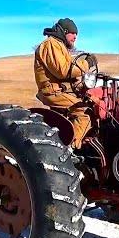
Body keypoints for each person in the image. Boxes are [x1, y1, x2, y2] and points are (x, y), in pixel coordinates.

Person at [34, 18, 91, 149]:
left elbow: (69, 74)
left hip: (61, 90)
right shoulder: (51, 44)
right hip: (53, 92)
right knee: (84, 113)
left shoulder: (60, 46)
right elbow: (63, 71)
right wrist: (87, 63)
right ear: (64, 31)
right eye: (73, 33)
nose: (75, 37)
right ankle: (70, 150)